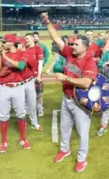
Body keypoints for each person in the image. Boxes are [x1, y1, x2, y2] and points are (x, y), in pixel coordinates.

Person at [41, 12, 98, 172]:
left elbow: (86, 83)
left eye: (76, 45)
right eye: (72, 44)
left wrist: (67, 77)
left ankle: (81, 159)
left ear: (85, 47)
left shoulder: (89, 62)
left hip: (81, 103)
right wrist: (47, 22)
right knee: (64, 127)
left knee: (82, 132)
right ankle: (64, 150)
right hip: (66, 99)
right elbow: (56, 39)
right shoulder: (69, 53)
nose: (72, 46)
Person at [0, 34, 31, 153]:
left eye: (5, 41)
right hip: (4, 88)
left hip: (18, 87)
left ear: (11, 43)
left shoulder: (22, 53)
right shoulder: (0, 54)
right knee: (3, 116)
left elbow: (21, 66)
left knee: (21, 114)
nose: (2, 43)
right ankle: (4, 141)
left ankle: (23, 139)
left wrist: (5, 55)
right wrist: (1, 55)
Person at [33, 31, 49, 116]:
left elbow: (47, 54)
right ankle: (31, 108)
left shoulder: (42, 46)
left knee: (39, 91)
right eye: (34, 36)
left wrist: (42, 63)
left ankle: (39, 109)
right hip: (30, 72)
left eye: (36, 36)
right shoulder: (28, 46)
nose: (35, 38)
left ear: (38, 37)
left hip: (38, 72)